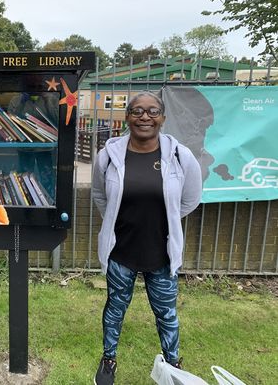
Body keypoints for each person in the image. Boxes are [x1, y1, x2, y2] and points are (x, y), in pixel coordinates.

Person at [91, 91, 202, 385]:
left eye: (153, 111)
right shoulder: (108, 156)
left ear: (163, 118)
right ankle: (109, 358)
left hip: (161, 253)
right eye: (137, 111)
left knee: (167, 313)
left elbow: (190, 199)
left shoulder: (180, 156)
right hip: (121, 250)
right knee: (115, 307)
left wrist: (165, 221)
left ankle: (174, 365)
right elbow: (101, 196)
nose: (145, 117)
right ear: (126, 117)